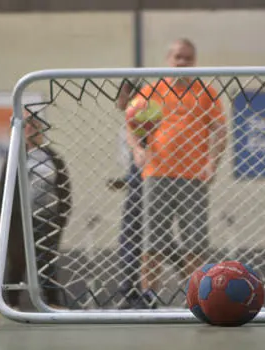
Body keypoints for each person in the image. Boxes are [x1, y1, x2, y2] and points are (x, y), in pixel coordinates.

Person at [125, 38, 227, 308]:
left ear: (195, 61)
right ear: (168, 59)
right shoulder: (151, 90)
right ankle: (148, 297)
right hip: (156, 173)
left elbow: (220, 130)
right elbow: (130, 124)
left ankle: (195, 298)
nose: (183, 62)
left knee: (194, 241)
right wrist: (137, 149)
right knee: (152, 241)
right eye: (178, 57)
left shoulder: (207, 92)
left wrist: (212, 162)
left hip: (194, 176)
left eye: (188, 58)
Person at [112, 80, 185, 309]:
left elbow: (147, 157)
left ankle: (134, 292)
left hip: (151, 179)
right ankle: (186, 276)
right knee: (157, 237)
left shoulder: (146, 119)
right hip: (142, 178)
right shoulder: (132, 124)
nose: (119, 102)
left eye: (122, 96)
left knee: (134, 236)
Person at [0, 115, 72, 308]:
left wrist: (62, 216)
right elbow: (5, 188)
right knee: (18, 260)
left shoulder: (53, 157)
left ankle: (52, 301)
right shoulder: (15, 156)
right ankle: (12, 302)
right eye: (28, 127)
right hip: (20, 219)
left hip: (47, 218)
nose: (32, 130)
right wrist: (5, 217)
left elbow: (63, 188)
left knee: (46, 261)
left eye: (36, 127)